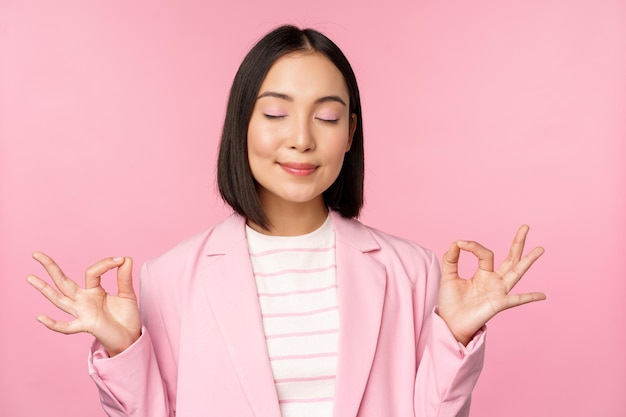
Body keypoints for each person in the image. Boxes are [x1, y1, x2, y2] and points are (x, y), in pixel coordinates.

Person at [27, 25, 545, 417]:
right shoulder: (169, 278)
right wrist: (123, 352)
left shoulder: (413, 269)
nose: (301, 138)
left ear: (350, 133)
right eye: (275, 114)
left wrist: (453, 338)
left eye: (326, 116)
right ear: (242, 124)